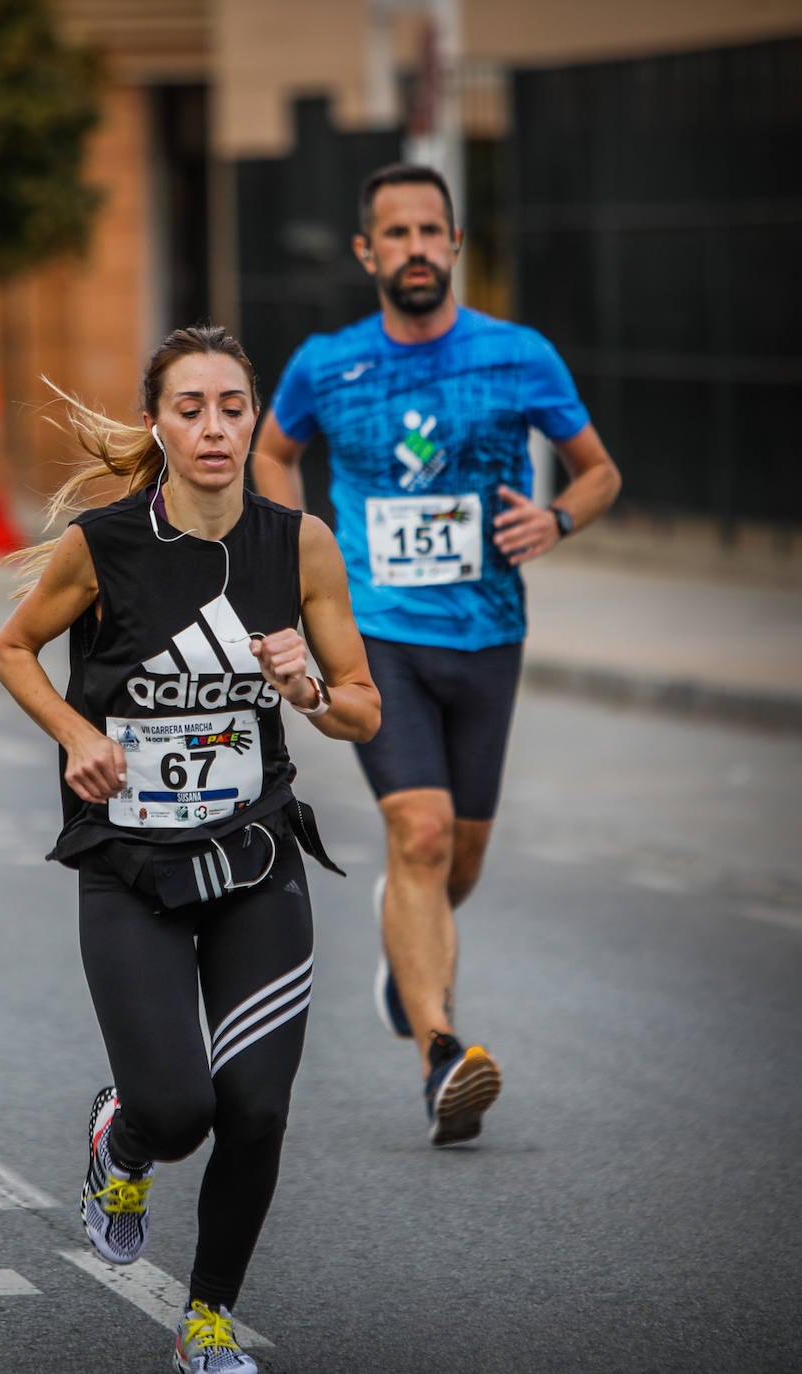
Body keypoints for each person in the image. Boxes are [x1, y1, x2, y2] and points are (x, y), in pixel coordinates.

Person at [0, 325, 379, 1372]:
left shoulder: (297, 545)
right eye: (191, 408)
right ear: (157, 423)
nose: (214, 428)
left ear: (255, 418)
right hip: (131, 867)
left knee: (253, 1105)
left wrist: (307, 691)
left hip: (254, 857)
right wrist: (76, 733)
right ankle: (121, 1139)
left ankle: (206, 1317)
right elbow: (13, 647)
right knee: (175, 1107)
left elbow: (361, 712)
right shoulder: (106, 544)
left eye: (232, 407)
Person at [255, 163, 622, 1147]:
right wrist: (297, 548)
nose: (415, 247)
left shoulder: (518, 355)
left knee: (455, 861)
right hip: (377, 631)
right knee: (416, 833)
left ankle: (405, 939)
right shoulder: (325, 365)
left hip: (489, 633)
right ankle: (440, 1055)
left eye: (431, 231)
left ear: (454, 246)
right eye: (396, 233)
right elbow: (274, 451)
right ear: (365, 253)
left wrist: (554, 519)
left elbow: (599, 473)